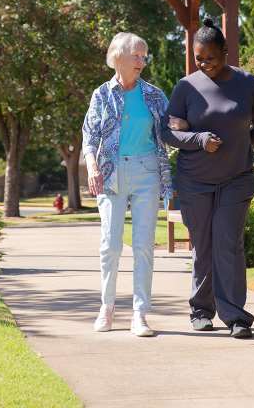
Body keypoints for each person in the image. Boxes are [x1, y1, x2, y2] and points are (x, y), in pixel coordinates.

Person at [162, 18, 254, 339]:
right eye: (199, 58)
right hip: (194, 180)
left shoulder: (246, 83)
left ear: (225, 52)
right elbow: (167, 132)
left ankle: (236, 316)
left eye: (210, 58)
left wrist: (241, 146)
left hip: (236, 178)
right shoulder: (186, 87)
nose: (204, 64)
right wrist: (199, 140)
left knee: (229, 243)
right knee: (203, 244)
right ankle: (201, 309)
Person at [82, 32, 172, 337]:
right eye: (137, 55)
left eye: (144, 56)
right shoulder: (101, 94)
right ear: (118, 56)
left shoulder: (154, 95)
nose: (142, 61)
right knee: (110, 245)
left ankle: (139, 314)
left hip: (147, 170)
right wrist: (93, 166)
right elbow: (90, 136)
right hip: (110, 173)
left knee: (144, 245)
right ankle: (106, 308)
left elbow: (172, 127)